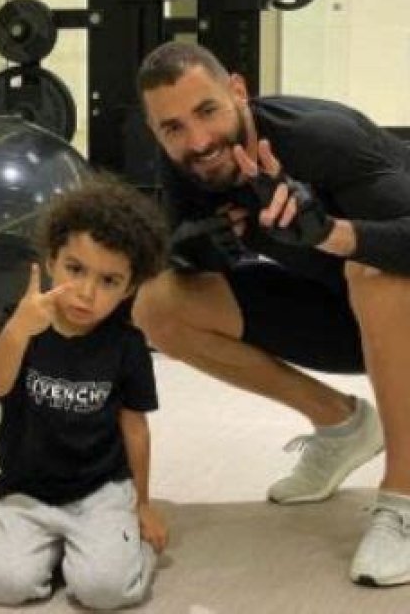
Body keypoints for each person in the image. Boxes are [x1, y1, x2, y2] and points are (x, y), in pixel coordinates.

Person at [131, 40, 410, 587]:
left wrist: (330, 233)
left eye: (207, 111)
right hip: (343, 318)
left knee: (372, 272)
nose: (198, 141)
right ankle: (342, 425)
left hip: (395, 304)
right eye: (173, 128)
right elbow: (179, 255)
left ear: (238, 91)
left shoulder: (323, 139)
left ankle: (403, 496)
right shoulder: (187, 164)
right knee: (158, 303)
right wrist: (194, 250)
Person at [0, 175, 169, 610]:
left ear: (129, 288)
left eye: (109, 281)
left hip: (101, 490)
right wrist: (19, 330)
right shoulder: (20, 324)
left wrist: (142, 503)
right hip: (26, 489)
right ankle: (63, 551)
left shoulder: (127, 345)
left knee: (106, 591)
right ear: (51, 261)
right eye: (75, 269)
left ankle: (109, 549)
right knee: (4, 585)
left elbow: (135, 428)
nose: (86, 293)